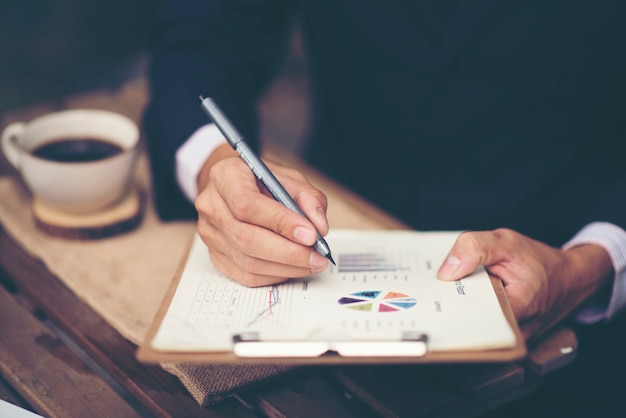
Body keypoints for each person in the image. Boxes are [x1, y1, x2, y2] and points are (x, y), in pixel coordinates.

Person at [143, 1, 626, 415]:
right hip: (332, 237)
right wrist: (216, 164)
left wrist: (593, 262)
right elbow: (204, 30)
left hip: (569, 290)